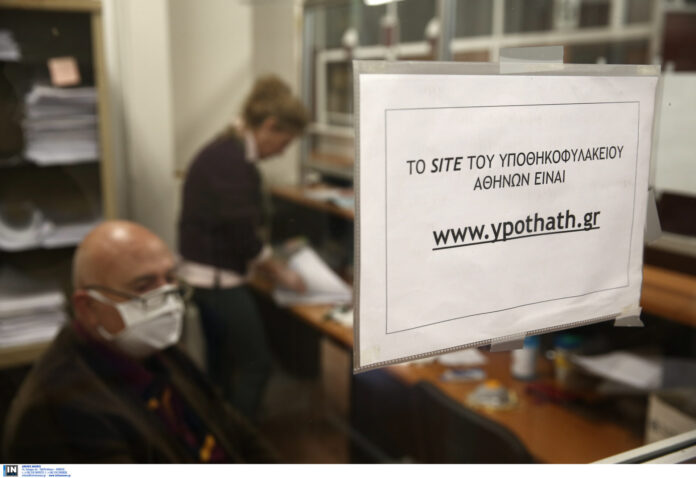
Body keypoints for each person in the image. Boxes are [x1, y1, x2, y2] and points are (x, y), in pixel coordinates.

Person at [2, 221, 276, 463]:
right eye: (143, 287)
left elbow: (231, 427)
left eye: (170, 279)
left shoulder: (153, 350)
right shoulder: (58, 410)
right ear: (88, 308)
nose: (167, 301)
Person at [177, 75, 308, 420]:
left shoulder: (228, 150)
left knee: (221, 365)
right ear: (269, 126)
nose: (282, 152)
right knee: (256, 366)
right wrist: (280, 271)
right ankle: (237, 442)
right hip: (216, 280)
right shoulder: (230, 161)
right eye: (285, 142)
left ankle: (219, 430)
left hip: (208, 274)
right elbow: (241, 234)